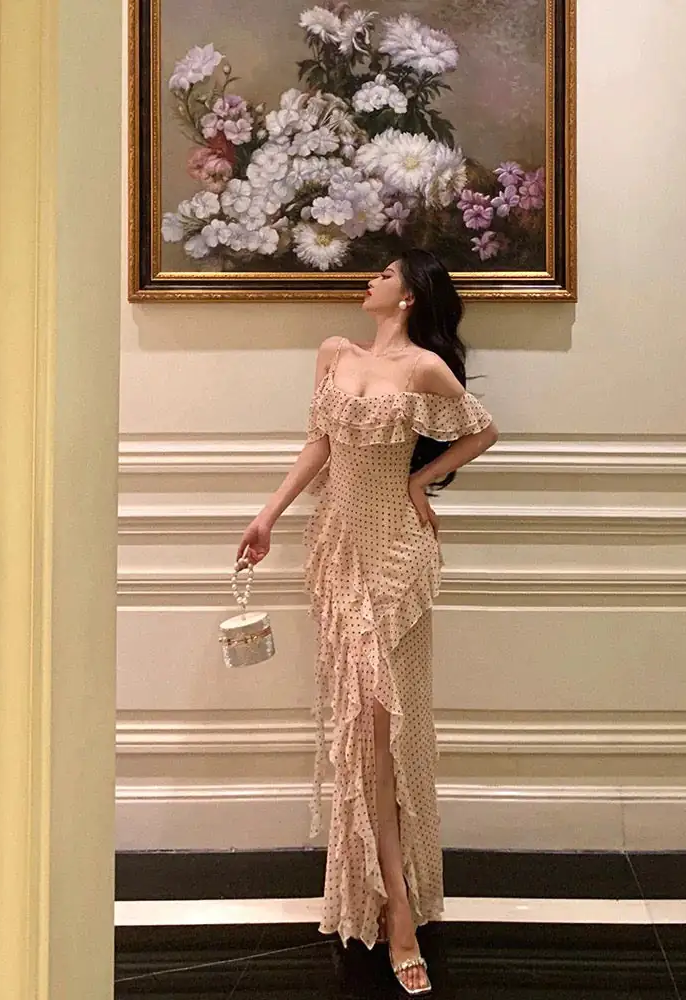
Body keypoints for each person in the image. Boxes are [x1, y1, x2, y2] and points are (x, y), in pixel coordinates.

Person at [237, 248, 499, 995]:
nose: (371, 281)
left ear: (409, 295)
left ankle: (400, 914)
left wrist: (421, 480)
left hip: (397, 554)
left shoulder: (423, 368)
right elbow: (318, 445)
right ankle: (388, 896)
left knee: (383, 728)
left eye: (384, 274)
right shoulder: (335, 352)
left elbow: (482, 431)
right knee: (362, 728)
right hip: (338, 547)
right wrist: (267, 515)